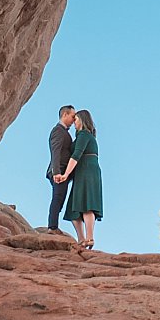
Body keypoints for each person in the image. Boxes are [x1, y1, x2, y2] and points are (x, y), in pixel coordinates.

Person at [58, 107, 103, 253]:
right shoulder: (84, 136)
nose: (74, 122)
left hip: (86, 171)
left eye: (75, 119)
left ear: (82, 120)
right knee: (74, 208)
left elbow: (76, 155)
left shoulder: (84, 135)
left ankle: (89, 237)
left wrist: (65, 174)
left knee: (86, 204)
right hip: (85, 171)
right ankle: (82, 239)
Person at [45, 105, 76, 231]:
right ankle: (52, 227)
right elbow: (55, 151)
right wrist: (56, 172)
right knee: (58, 198)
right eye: (73, 116)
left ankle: (53, 226)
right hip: (59, 171)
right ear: (65, 115)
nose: (74, 119)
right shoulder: (58, 130)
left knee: (60, 198)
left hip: (63, 171)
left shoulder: (64, 132)